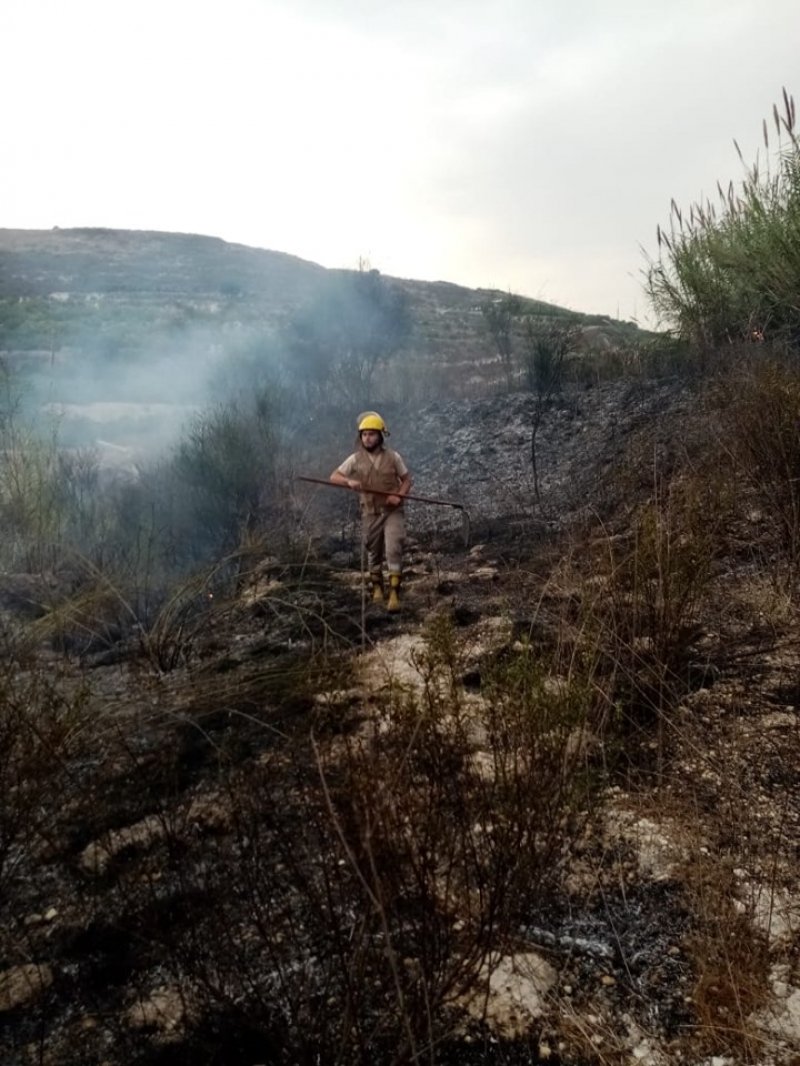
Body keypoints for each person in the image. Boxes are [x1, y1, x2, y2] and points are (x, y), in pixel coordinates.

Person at [330, 411, 412, 611]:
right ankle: (377, 588)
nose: (367, 438)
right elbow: (334, 476)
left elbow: (407, 480)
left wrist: (399, 496)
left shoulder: (393, 457)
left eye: (372, 434)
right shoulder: (355, 459)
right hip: (370, 512)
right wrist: (349, 481)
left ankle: (394, 593)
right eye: (364, 434)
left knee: (393, 548)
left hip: (392, 511)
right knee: (373, 551)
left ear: (380, 436)